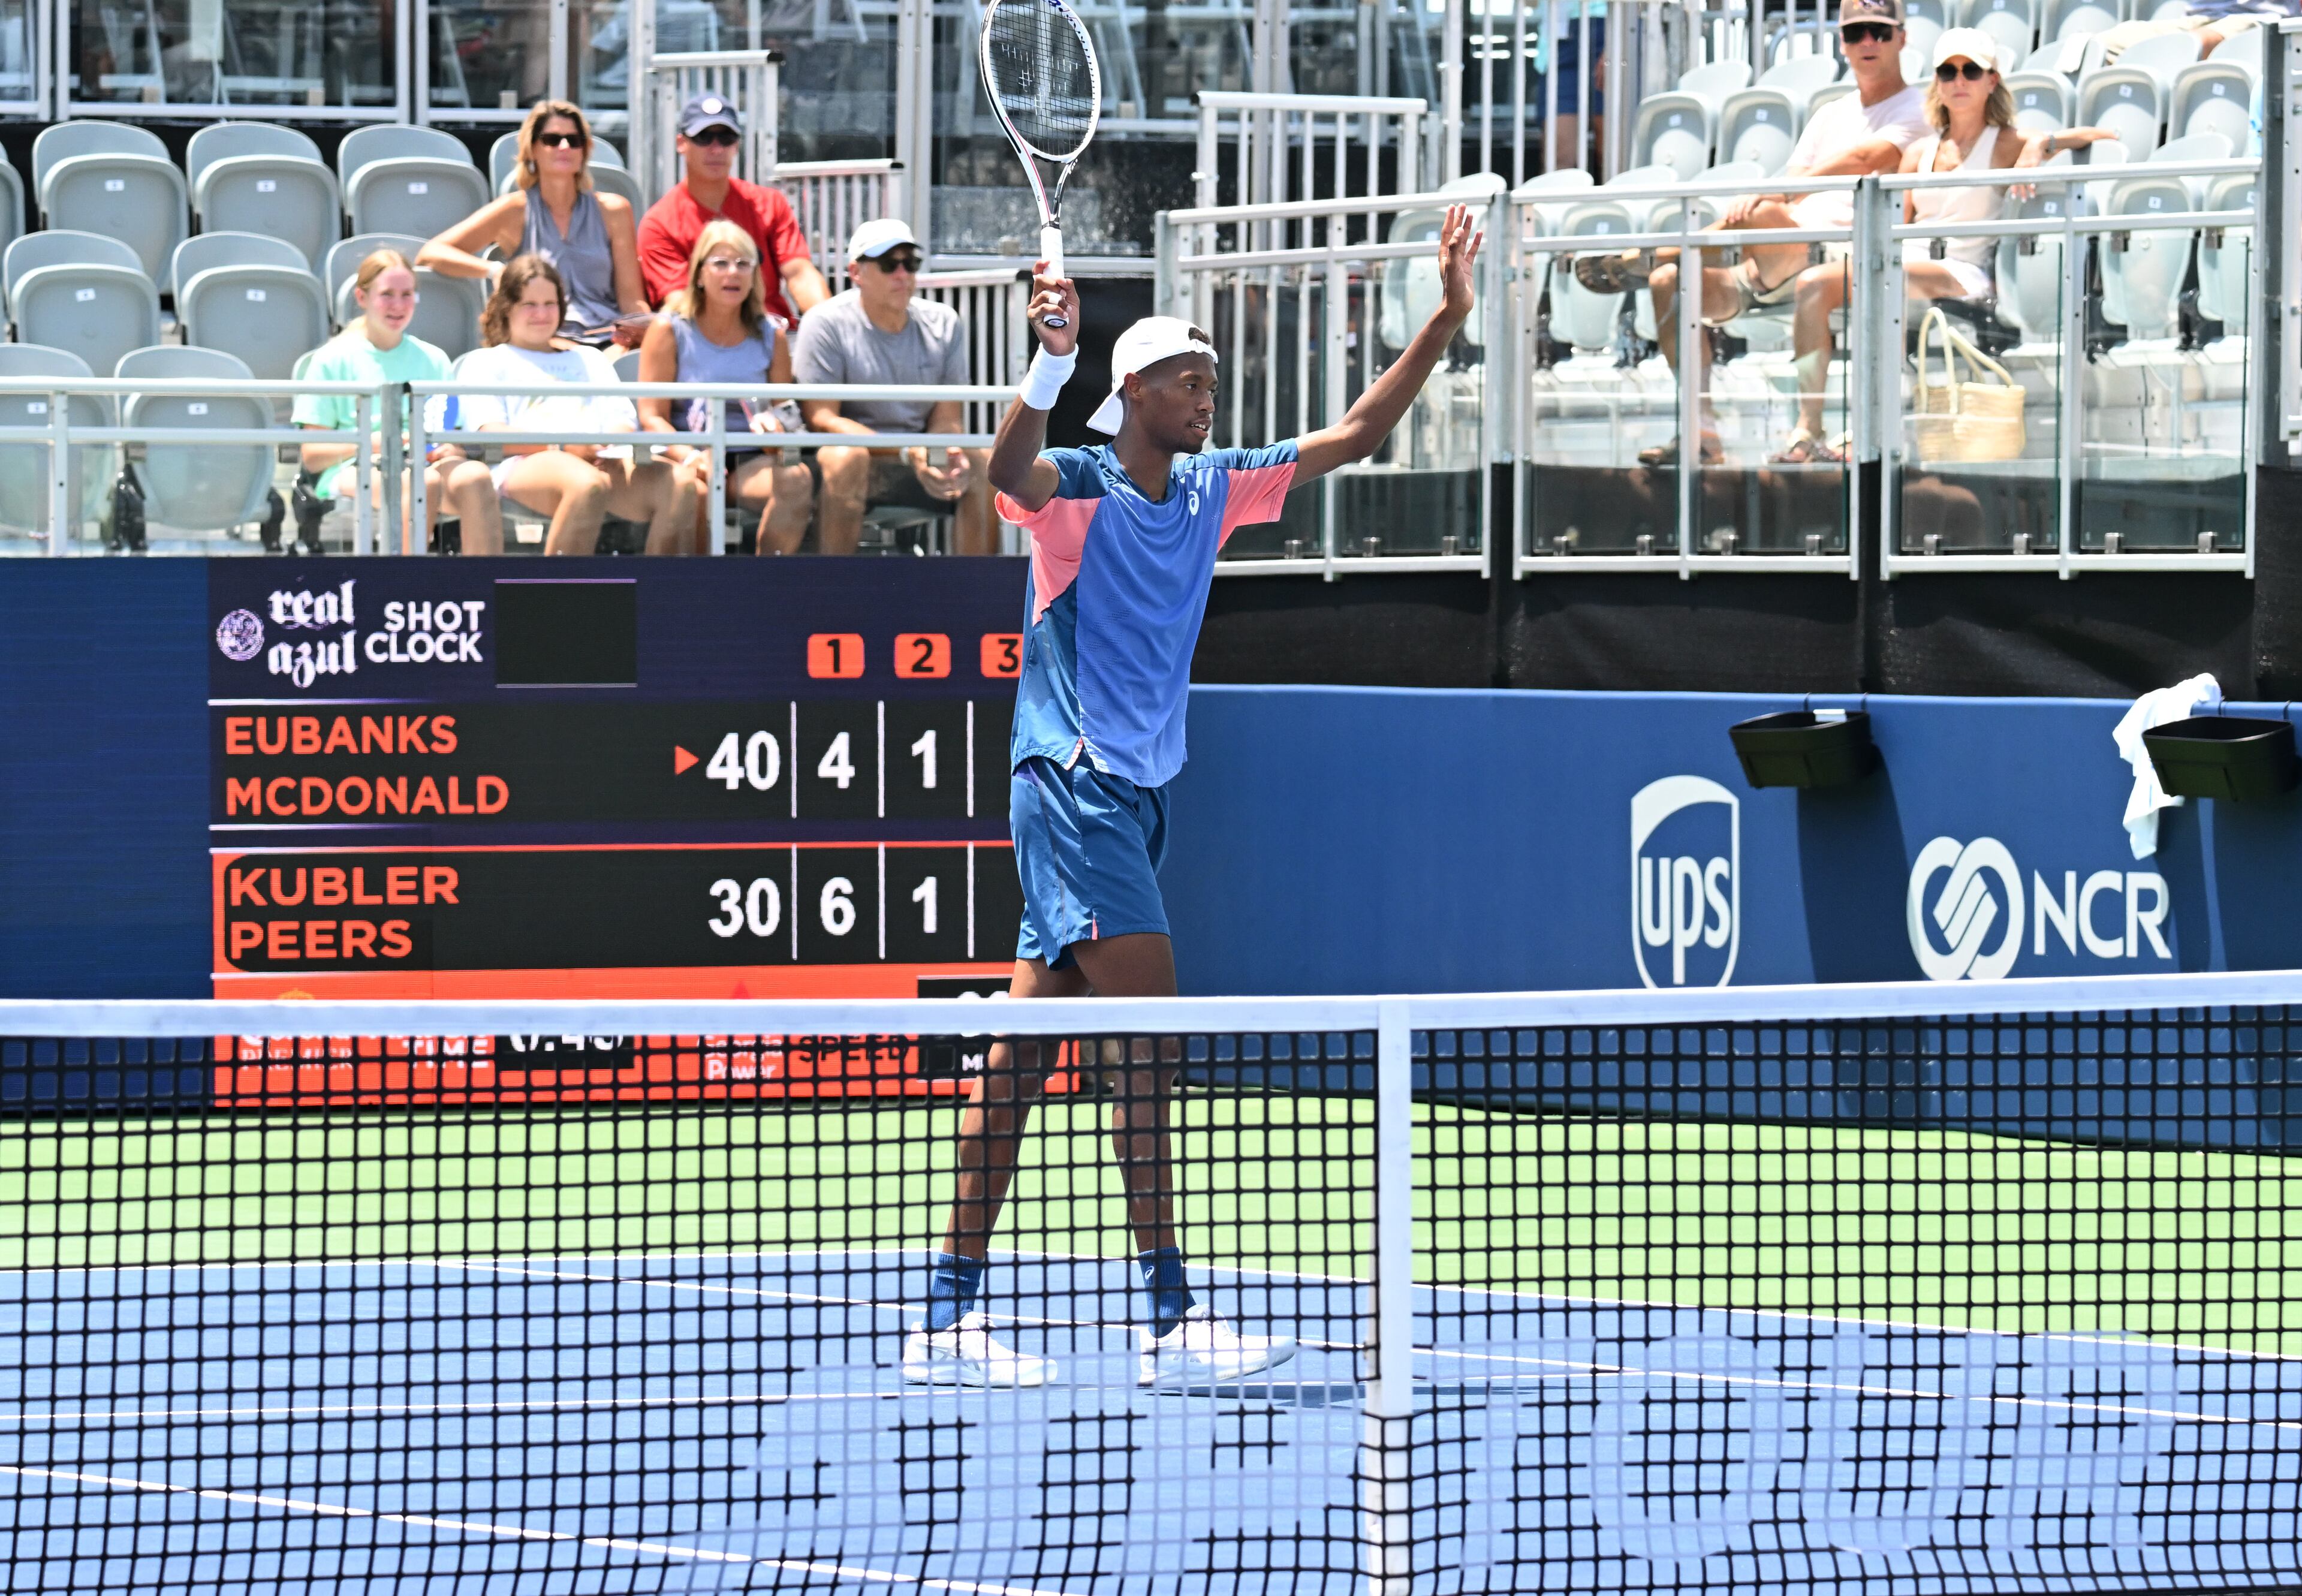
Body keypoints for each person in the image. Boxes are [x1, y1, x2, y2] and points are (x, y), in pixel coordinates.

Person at [901, 206, 1484, 1390]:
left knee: (1015, 1069)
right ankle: (1171, 1315)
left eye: (1211, 374)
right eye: (1185, 375)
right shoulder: (1080, 484)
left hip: (1133, 795)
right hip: (1074, 785)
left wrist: (1448, 315)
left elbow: (1360, 434)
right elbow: (1010, 468)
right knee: (1148, 1047)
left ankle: (945, 1320)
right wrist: (1048, 367)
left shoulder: (1216, 485)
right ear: (1134, 393)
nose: (1206, 389)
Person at [1577, 0, 1930, 465]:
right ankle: (1700, 433)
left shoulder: (1920, 106)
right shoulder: (1830, 113)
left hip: (1841, 260)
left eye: (1880, 33)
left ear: (1902, 39)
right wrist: (1771, 201)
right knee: (1668, 284)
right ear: (1842, 43)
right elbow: (1794, 178)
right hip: (1773, 262)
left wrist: (1768, 202)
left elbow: (1864, 161)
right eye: (1856, 32)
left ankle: (1685, 248)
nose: (1867, 43)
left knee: (1762, 214)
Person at [1773, 29, 2119, 462]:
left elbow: (2097, 136)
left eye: (1971, 71)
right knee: (1812, 284)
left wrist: (2038, 146)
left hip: (1965, 272)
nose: (1959, 80)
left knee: (1879, 280)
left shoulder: (2006, 141)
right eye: (1948, 71)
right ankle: (1809, 426)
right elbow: (1896, 229)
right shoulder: (1919, 152)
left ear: (1992, 81)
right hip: (1910, 264)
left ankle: (1873, 427)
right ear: (1936, 81)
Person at [446, 254, 700, 555]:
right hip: (526, 463)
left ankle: (659, 594)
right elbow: (491, 433)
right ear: (507, 308)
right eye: (530, 305)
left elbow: (622, 420)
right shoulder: (485, 362)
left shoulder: (590, 358)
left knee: (682, 484)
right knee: (586, 484)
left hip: (601, 460)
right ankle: (560, 598)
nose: (541, 314)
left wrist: (607, 444)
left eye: (550, 304)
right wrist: (564, 448)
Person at [793, 219, 993, 556]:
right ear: (855, 272)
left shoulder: (944, 322)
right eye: (889, 264)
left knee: (984, 464)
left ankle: (977, 599)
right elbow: (823, 419)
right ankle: (828, 599)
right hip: (852, 459)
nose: (903, 274)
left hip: (916, 456)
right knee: (846, 459)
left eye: (910, 263)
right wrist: (908, 450)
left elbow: (948, 419)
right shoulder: (824, 322)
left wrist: (944, 454)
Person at [293, 248, 504, 553]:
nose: (398, 305)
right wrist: (378, 442)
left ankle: (485, 591)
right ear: (362, 298)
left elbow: (449, 432)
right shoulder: (330, 359)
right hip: (356, 466)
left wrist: (449, 447)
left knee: (475, 476)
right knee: (422, 483)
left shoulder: (433, 358)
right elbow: (313, 454)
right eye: (387, 294)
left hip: (423, 462)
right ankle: (405, 591)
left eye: (407, 295)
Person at [636, 220, 814, 555]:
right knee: (693, 491)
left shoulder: (771, 334)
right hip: (683, 455)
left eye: (743, 264)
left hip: (747, 458)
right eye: (720, 263)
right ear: (699, 274)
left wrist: (777, 426)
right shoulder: (668, 329)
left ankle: (763, 590)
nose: (733, 273)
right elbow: (651, 418)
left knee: (797, 479)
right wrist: (691, 456)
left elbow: (785, 410)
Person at [417, 100, 650, 348]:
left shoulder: (614, 210)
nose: (564, 147)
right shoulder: (513, 210)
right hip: (543, 339)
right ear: (532, 149)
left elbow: (631, 300)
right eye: (552, 139)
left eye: (574, 140)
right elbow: (431, 253)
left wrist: (635, 337)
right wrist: (496, 271)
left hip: (609, 341)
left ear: (584, 150)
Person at [636, 94, 830, 327]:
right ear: (681, 144)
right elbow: (679, 301)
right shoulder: (659, 223)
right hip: (704, 344)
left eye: (726, 138)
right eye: (703, 137)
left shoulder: (769, 203)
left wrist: (831, 326)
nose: (716, 149)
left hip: (776, 336)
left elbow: (800, 273)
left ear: (736, 145)